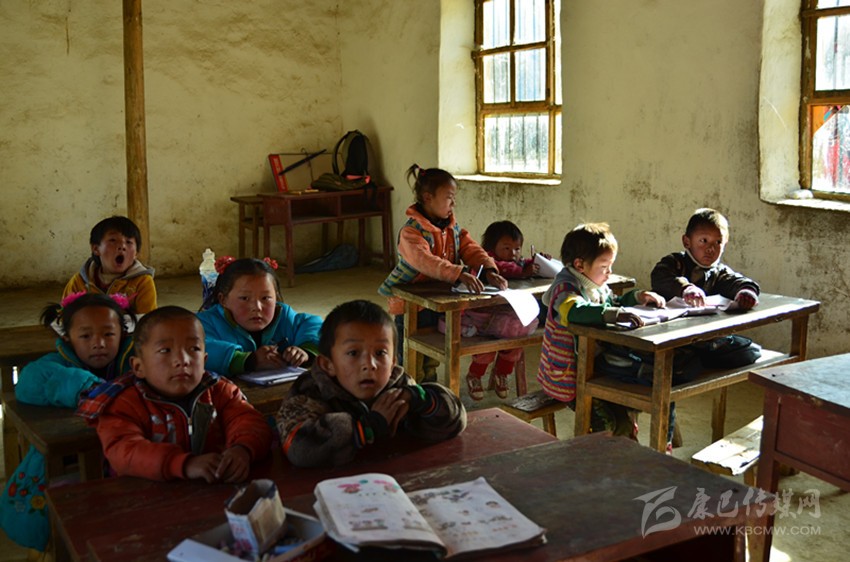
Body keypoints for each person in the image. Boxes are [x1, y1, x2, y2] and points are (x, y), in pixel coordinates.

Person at [0, 292, 134, 551]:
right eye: (85, 336)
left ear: (123, 333)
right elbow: (29, 381)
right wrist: (91, 390)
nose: (98, 343)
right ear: (68, 338)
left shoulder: (135, 360)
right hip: (74, 464)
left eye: (108, 334)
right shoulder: (57, 362)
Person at [76, 306, 273, 482]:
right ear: (138, 367)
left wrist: (242, 449)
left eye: (193, 348)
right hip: (145, 498)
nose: (182, 360)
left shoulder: (220, 391)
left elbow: (249, 421)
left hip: (214, 489)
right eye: (165, 350)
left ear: (204, 360)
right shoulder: (124, 404)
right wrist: (183, 464)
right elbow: (124, 451)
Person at [276, 300, 466, 467]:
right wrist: (369, 427)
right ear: (328, 364)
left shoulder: (399, 387)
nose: (369, 364)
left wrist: (421, 399)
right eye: (353, 353)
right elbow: (298, 447)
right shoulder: (310, 390)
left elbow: (454, 422)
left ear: (393, 363)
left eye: (380, 353)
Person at [537, 223, 676, 450]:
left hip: (596, 366)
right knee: (609, 424)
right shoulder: (565, 288)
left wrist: (638, 297)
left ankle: (636, 447)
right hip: (568, 375)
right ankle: (603, 459)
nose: (609, 272)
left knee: (643, 394)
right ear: (579, 265)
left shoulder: (595, 284)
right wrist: (613, 314)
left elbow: (613, 302)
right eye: (604, 266)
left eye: (611, 265)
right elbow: (575, 311)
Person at [378, 164, 507, 385]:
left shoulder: (452, 228)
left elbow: (470, 248)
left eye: (454, 198)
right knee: (410, 356)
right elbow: (426, 262)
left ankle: (430, 389)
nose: (453, 203)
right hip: (412, 306)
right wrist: (459, 273)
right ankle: (408, 391)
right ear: (428, 198)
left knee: (432, 353)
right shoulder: (411, 232)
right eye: (449, 197)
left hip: (438, 301)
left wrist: (489, 269)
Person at [197, 257, 322, 376]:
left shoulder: (284, 315)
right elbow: (197, 349)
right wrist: (248, 360)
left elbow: (316, 325)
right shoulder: (205, 323)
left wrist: (305, 350)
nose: (257, 307)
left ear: (276, 297)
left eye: (265, 298)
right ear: (223, 299)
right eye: (244, 298)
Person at [463, 221, 541, 401]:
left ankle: (502, 373)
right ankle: (475, 375)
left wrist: (537, 261)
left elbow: (522, 263)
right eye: (507, 248)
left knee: (516, 341)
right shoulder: (487, 261)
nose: (513, 254)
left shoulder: (515, 261)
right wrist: (523, 272)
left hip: (506, 317)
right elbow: (505, 268)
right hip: (483, 318)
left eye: (517, 249)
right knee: (487, 348)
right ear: (491, 247)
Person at [651, 208, 759, 309]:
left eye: (718, 242)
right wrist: (685, 288)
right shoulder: (675, 262)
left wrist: (746, 291)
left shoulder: (719, 273)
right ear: (687, 242)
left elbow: (736, 281)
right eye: (704, 241)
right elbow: (659, 277)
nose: (711, 249)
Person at [63, 215, 157, 313]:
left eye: (129, 242)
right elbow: (65, 315)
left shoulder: (142, 282)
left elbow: (147, 319)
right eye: (113, 240)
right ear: (96, 249)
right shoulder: (78, 282)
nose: (122, 246)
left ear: (136, 254)